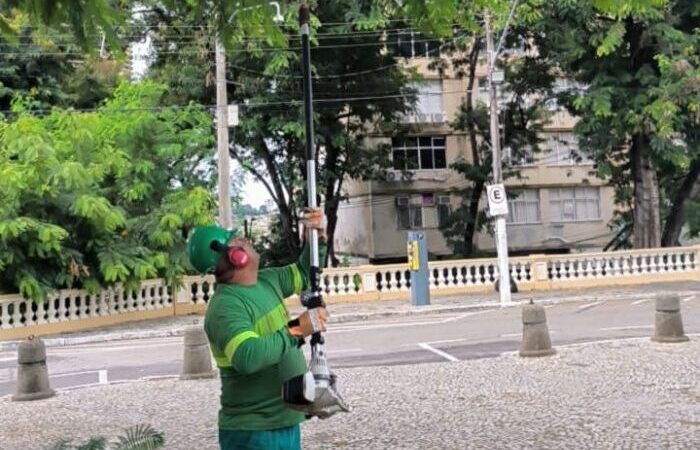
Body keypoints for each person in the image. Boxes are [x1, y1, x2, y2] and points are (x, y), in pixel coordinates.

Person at [189, 208, 328, 450]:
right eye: (237, 240)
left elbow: (305, 273)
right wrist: (297, 329)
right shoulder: (225, 306)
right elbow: (248, 356)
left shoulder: (268, 280)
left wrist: (317, 237)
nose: (246, 240)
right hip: (253, 433)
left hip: (285, 421)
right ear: (234, 257)